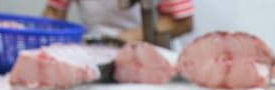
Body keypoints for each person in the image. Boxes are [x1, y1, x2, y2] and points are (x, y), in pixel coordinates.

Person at [43, 0, 194, 42]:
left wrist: (129, 37)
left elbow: (183, 21)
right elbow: (54, 12)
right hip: (97, 51)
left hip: (149, 53)